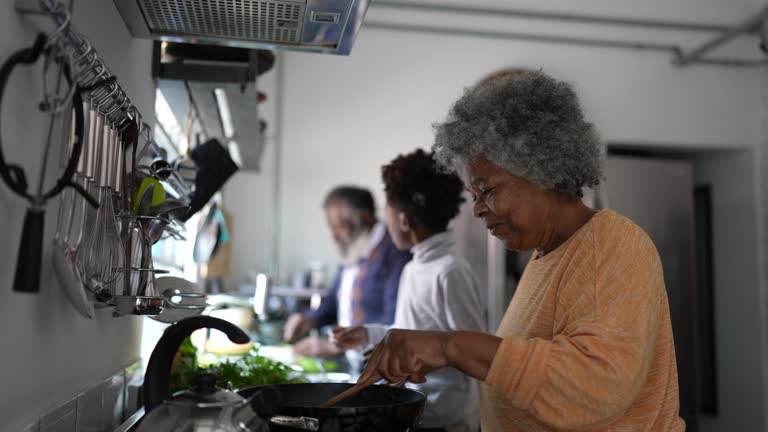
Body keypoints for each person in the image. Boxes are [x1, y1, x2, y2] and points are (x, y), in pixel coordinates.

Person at [354, 70, 685, 431]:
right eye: (474, 195)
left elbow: (594, 388)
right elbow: (523, 370)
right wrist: (438, 354)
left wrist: (450, 347)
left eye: (488, 190)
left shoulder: (613, 245)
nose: (478, 209)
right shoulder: (544, 257)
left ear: (544, 170)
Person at [332, 149, 486, 432]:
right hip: (414, 411)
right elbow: (409, 331)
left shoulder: (450, 271)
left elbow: (475, 353)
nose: (385, 221)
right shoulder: (413, 267)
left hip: (446, 421)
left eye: (386, 212)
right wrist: (371, 334)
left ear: (403, 220)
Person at [283, 186, 412, 357]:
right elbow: (333, 301)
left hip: (378, 366)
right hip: (353, 361)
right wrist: (309, 319)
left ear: (364, 218)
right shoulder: (355, 248)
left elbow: (396, 324)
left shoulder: (395, 253)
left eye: (339, 227)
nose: (333, 237)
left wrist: (336, 347)